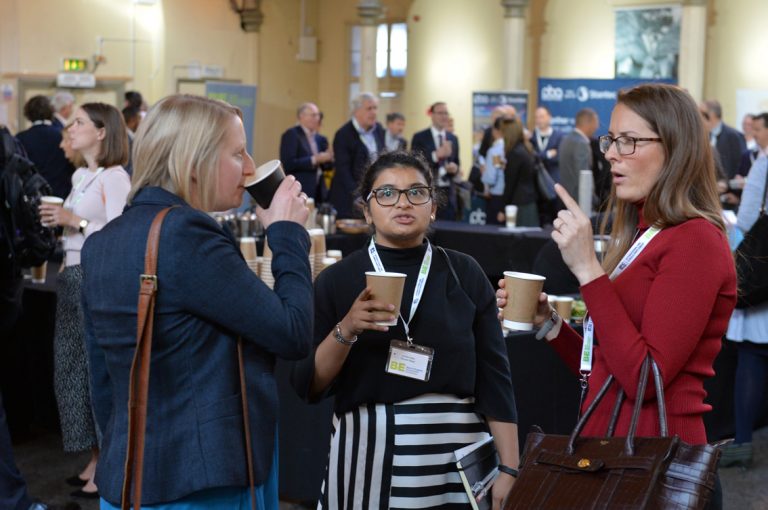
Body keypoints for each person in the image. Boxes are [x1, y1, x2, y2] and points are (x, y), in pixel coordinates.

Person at [497, 83, 736, 509]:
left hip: (658, 466)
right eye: (611, 139)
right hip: (617, 457)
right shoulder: (650, 233)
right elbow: (607, 369)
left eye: (629, 141)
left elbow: (645, 379)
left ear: (675, 148)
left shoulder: (695, 240)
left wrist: (589, 270)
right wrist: (550, 324)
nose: (610, 153)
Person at [81, 94, 313, 509]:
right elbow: (292, 332)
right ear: (194, 162)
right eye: (237, 152)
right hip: (202, 481)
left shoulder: (101, 243)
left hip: (131, 472)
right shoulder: (188, 235)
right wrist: (287, 235)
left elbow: (102, 379)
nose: (248, 167)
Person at [292, 151, 519, 510]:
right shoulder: (337, 280)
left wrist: (510, 466)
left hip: (456, 454)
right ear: (367, 210)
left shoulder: (464, 272)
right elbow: (309, 384)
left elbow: (496, 378)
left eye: (416, 192)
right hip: (369, 450)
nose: (402, 202)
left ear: (433, 207)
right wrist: (348, 327)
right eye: (386, 193)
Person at [38, 103, 132, 500]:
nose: (70, 128)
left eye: (78, 122)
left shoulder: (115, 178)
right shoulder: (81, 175)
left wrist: (72, 221)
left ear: (102, 132)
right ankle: (95, 458)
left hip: (95, 277)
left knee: (95, 370)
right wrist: (58, 223)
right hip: (71, 273)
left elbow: (119, 232)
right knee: (73, 369)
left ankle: (107, 460)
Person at [720, 153, 768, 469]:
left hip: (762, 280)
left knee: (752, 356)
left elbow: (748, 217)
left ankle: (742, 444)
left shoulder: (765, 162)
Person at [330, 92, 385, 218]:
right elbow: (343, 170)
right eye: (369, 108)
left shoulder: (379, 130)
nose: (374, 112)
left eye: (375, 108)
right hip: (348, 198)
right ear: (356, 111)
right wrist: (358, 195)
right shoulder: (343, 134)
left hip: (372, 194)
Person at [16, 95, 74, 199]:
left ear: (28, 114)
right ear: (51, 111)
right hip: (61, 193)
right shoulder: (61, 135)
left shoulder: (20, 138)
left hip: (31, 194)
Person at [411, 102, 461, 220]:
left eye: (446, 113)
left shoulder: (453, 138)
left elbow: (457, 162)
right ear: (432, 115)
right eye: (440, 113)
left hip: (448, 192)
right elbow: (415, 164)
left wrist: (454, 167)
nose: (444, 116)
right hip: (428, 190)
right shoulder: (420, 137)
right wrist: (435, 155)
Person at [279, 102, 333, 201]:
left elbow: (326, 168)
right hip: (300, 189)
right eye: (313, 115)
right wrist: (314, 159)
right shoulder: (291, 134)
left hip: (319, 190)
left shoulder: (320, 139)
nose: (317, 118)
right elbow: (288, 164)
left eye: (318, 115)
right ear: (301, 116)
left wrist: (330, 157)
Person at [500, 116, 539, 227]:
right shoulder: (525, 149)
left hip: (521, 205)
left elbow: (510, 184)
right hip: (528, 201)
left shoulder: (514, 153)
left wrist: (503, 208)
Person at [558, 108, 598, 202]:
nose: (597, 127)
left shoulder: (566, 139)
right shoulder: (581, 144)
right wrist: (593, 199)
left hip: (566, 198)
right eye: (596, 123)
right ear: (588, 123)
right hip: (580, 200)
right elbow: (584, 177)